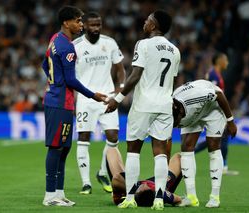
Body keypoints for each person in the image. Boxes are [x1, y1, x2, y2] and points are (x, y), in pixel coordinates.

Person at [105, 10, 180, 210]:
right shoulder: (175, 50)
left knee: (133, 151)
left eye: (148, 20)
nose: (144, 23)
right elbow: (172, 80)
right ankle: (158, 199)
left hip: (144, 104)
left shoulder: (144, 44)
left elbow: (135, 75)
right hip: (165, 104)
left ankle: (130, 198)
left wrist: (118, 99)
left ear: (154, 25)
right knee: (161, 153)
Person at [41, 6, 107, 207]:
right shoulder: (67, 47)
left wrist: (53, 81)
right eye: (78, 21)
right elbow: (71, 80)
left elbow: (45, 65)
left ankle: (59, 194)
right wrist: (93, 95)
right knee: (56, 148)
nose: (81, 25)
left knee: (64, 148)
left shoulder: (55, 39)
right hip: (60, 103)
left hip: (62, 102)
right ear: (66, 23)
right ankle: (49, 195)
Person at [73, 12, 126, 195]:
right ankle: (86, 183)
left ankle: (103, 172)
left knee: (113, 137)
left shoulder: (109, 42)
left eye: (99, 25)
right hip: (86, 99)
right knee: (83, 139)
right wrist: (74, 100)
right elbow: (71, 77)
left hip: (107, 98)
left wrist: (119, 91)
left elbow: (120, 69)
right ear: (84, 26)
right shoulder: (76, 46)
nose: (96, 28)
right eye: (92, 25)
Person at [171, 79, 237, 208]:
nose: (176, 126)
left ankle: (214, 197)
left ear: (180, 113)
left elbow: (219, 95)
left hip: (212, 108)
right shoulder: (171, 105)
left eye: (177, 122)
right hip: (193, 113)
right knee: (186, 148)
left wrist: (230, 121)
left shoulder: (196, 96)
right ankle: (191, 197)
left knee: (213, 147)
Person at [194, 53, 239, 175]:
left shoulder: (215, 74)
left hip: (215, 111)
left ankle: (223, 166)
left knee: (220, 138)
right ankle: (190, 152)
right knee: (219, 137)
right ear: (219, 61)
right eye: (226, 60)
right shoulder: (214, 75)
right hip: (214, 111)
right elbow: (212, 94)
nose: (227, 63)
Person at [106, 146, 182, 207]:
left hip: (127, 189)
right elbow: (178, 199)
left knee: (111, 150)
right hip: (159, 183)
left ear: (137, 192)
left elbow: (116, 178)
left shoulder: (128, 193)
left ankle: (102, 172)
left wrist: (128, 188)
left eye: (144, 186)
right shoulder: (161, 194)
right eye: (148, 186)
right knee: (180, 157)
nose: (145, 184)